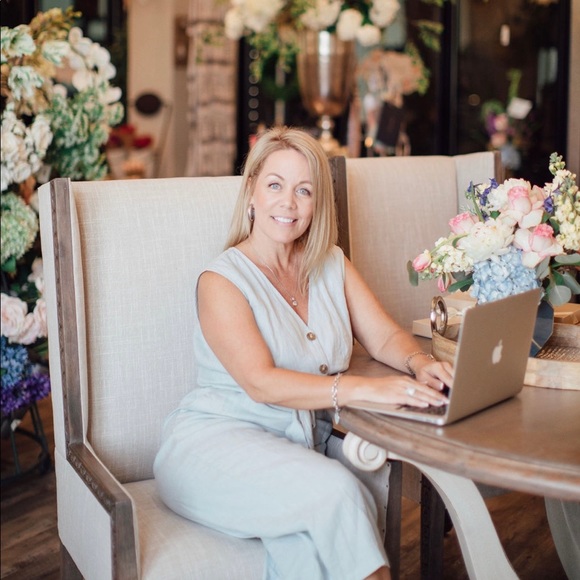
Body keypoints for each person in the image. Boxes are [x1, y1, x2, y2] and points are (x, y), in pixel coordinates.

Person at [154, 126, 453, 580]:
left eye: (304, 190)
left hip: (292, 450)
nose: (288, 203)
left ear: (317, 204)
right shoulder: (221, 281)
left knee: (309, 551)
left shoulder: (331, 262)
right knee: (339, 492)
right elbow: (261, 382)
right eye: (275, 185)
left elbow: (383, 337)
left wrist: (421, 364)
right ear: (251, 191)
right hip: (210, 446)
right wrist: (364, 390)